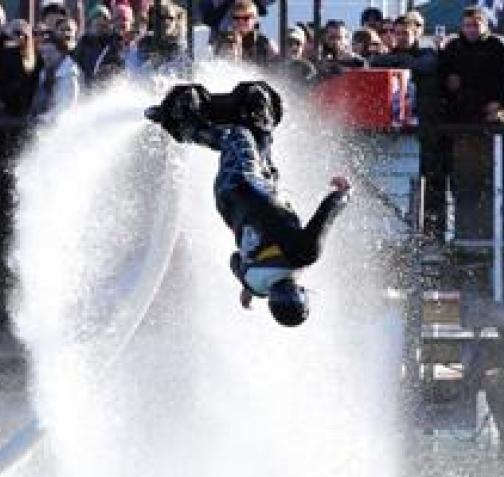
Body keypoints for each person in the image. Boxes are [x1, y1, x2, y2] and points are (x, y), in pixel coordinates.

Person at [144, 81, 352, 326]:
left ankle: (180, 123)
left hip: (242, 182)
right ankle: (255, 109)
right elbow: (234, 260)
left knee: (237, 135)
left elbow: (326, 214)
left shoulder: (304, 253)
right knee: (260, 135)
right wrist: (249, 288)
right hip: (230, 198)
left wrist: (344, 194)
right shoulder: (255, 283)